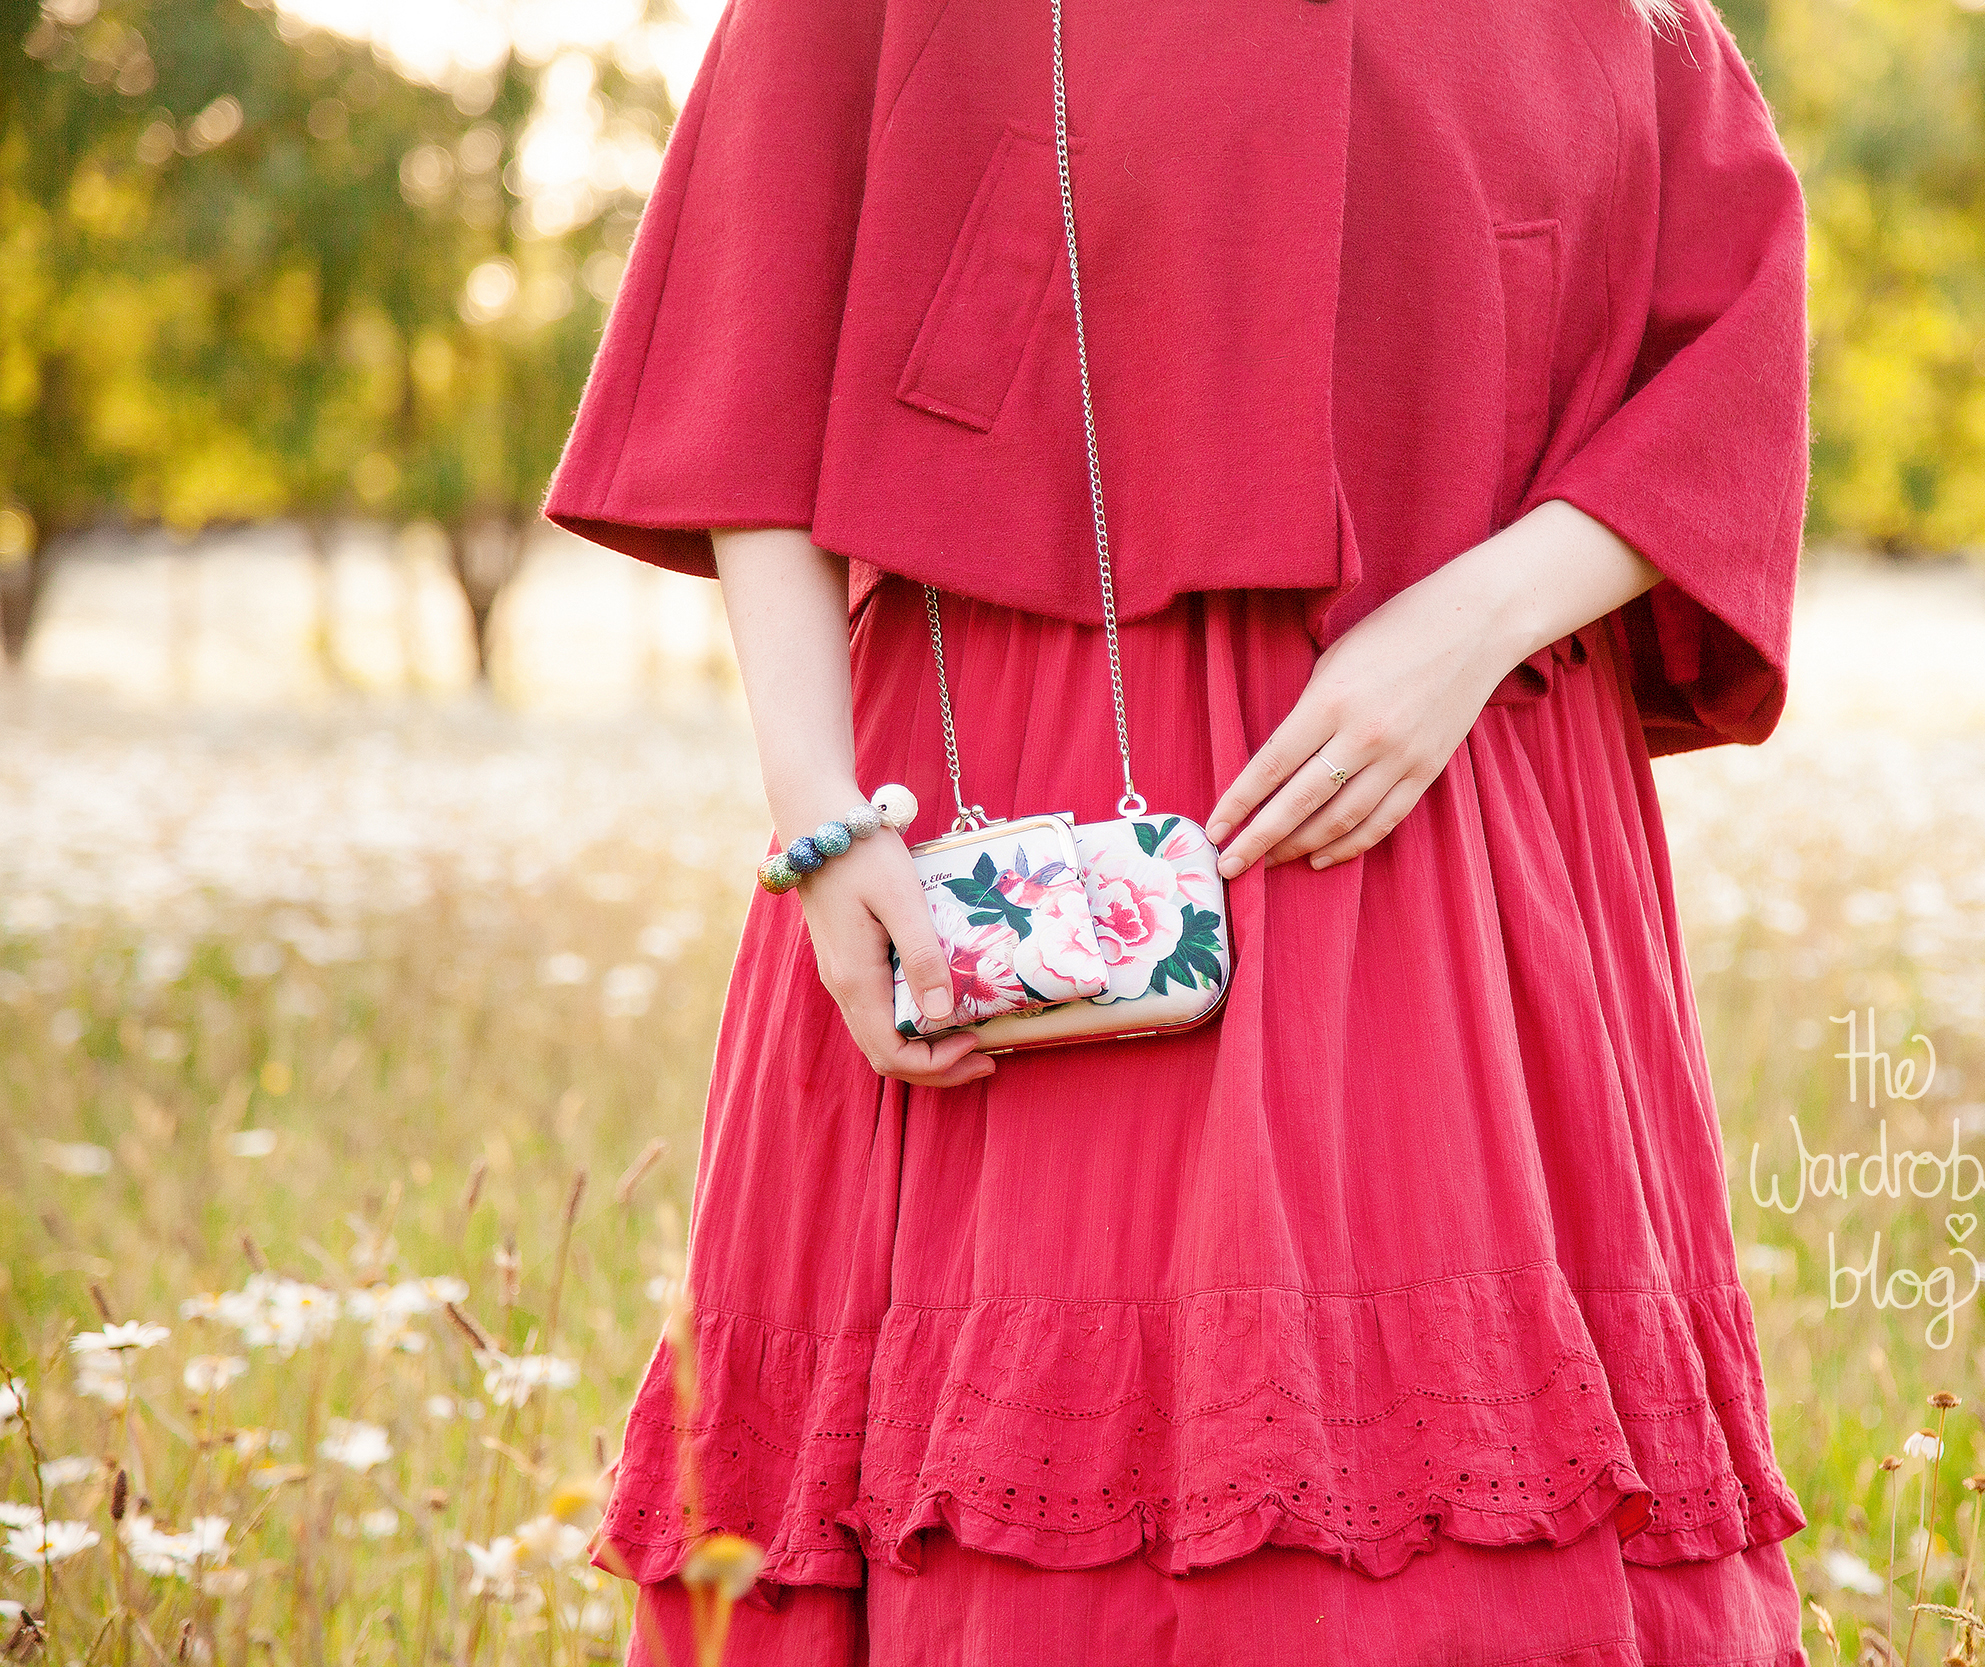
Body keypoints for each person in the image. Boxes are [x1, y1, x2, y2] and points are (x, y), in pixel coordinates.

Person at [543, 0, 1812, 1657]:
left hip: (1450, 815)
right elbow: (747, 321)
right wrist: (817, 816)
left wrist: (1475, 623)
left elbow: (1729, 363)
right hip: (1007, 818)